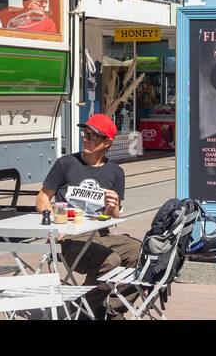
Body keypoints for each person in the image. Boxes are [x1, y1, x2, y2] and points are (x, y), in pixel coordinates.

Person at [35, 113, 141, 318]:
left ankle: (113, 306)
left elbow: (113, 215)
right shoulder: (66, 163)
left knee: (142, 252)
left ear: (107, 142)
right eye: (85, 134)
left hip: (100, 235)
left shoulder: (116, 172)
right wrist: (53, 225)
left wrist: (112, 207)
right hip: (69, 238)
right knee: (110, 260)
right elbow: (42, 198)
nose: (86, 139)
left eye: (93, 136)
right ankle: (82, 310)